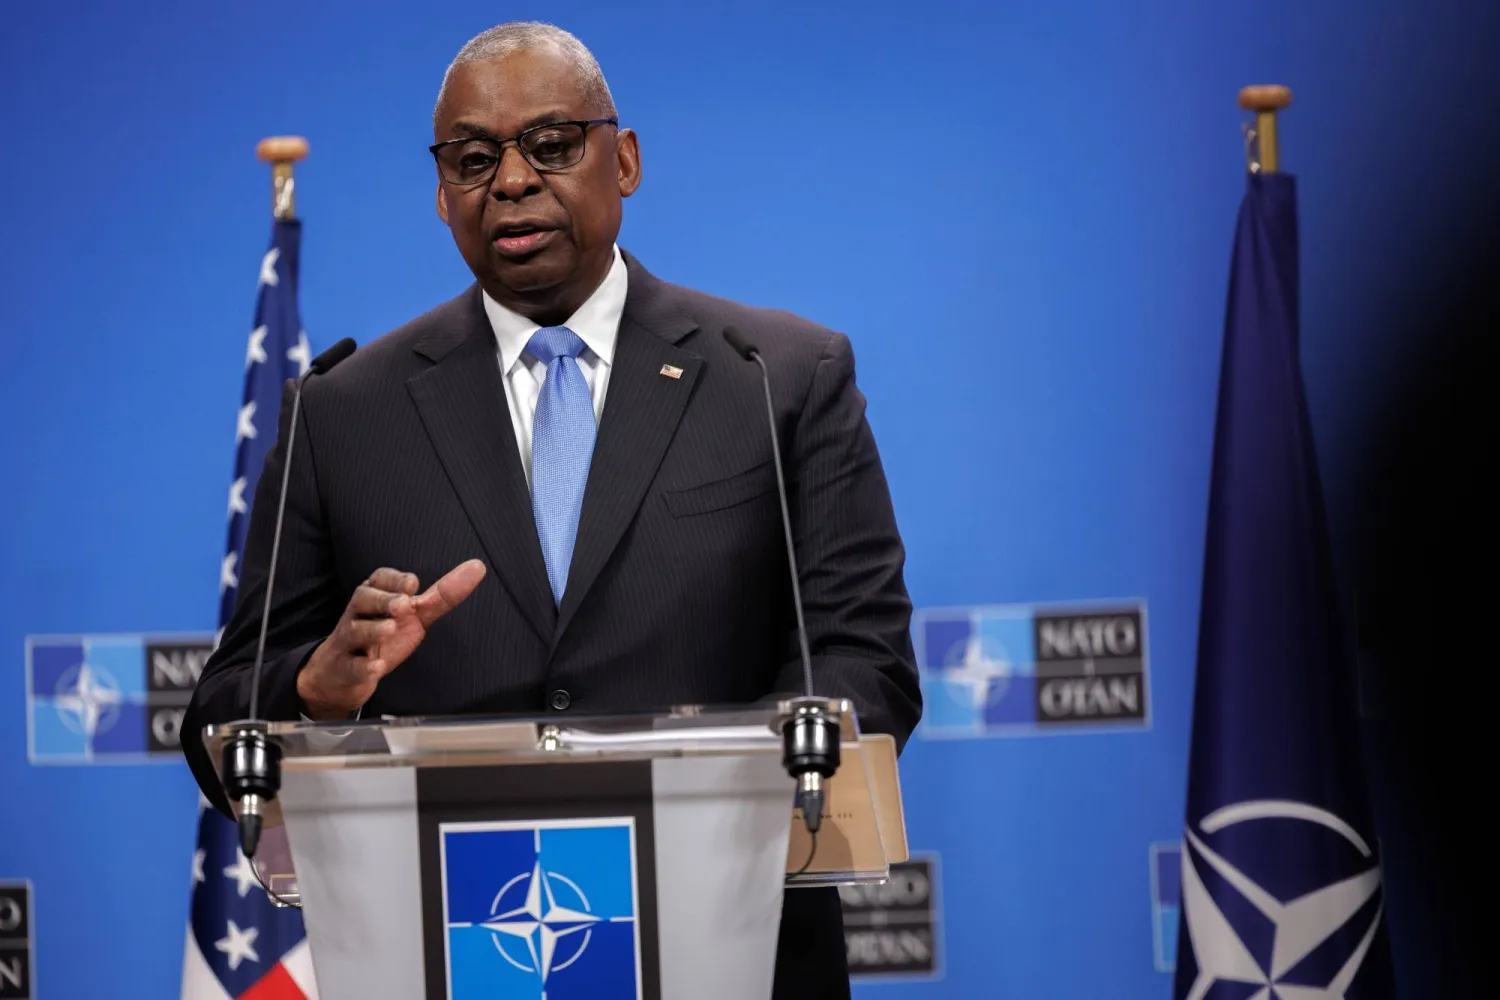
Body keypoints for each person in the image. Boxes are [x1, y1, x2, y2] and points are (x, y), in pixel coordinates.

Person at [183, 20, 921, 999]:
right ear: (443, 192)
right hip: (448, 952)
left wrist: (712, 789)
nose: (514, 181)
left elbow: (863, 661)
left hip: (733, 943)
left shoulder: (775, 378)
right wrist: (319, 691)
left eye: (552, 144)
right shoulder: (342, 413)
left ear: (624, 161)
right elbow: (222, 718)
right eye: (475, 158)